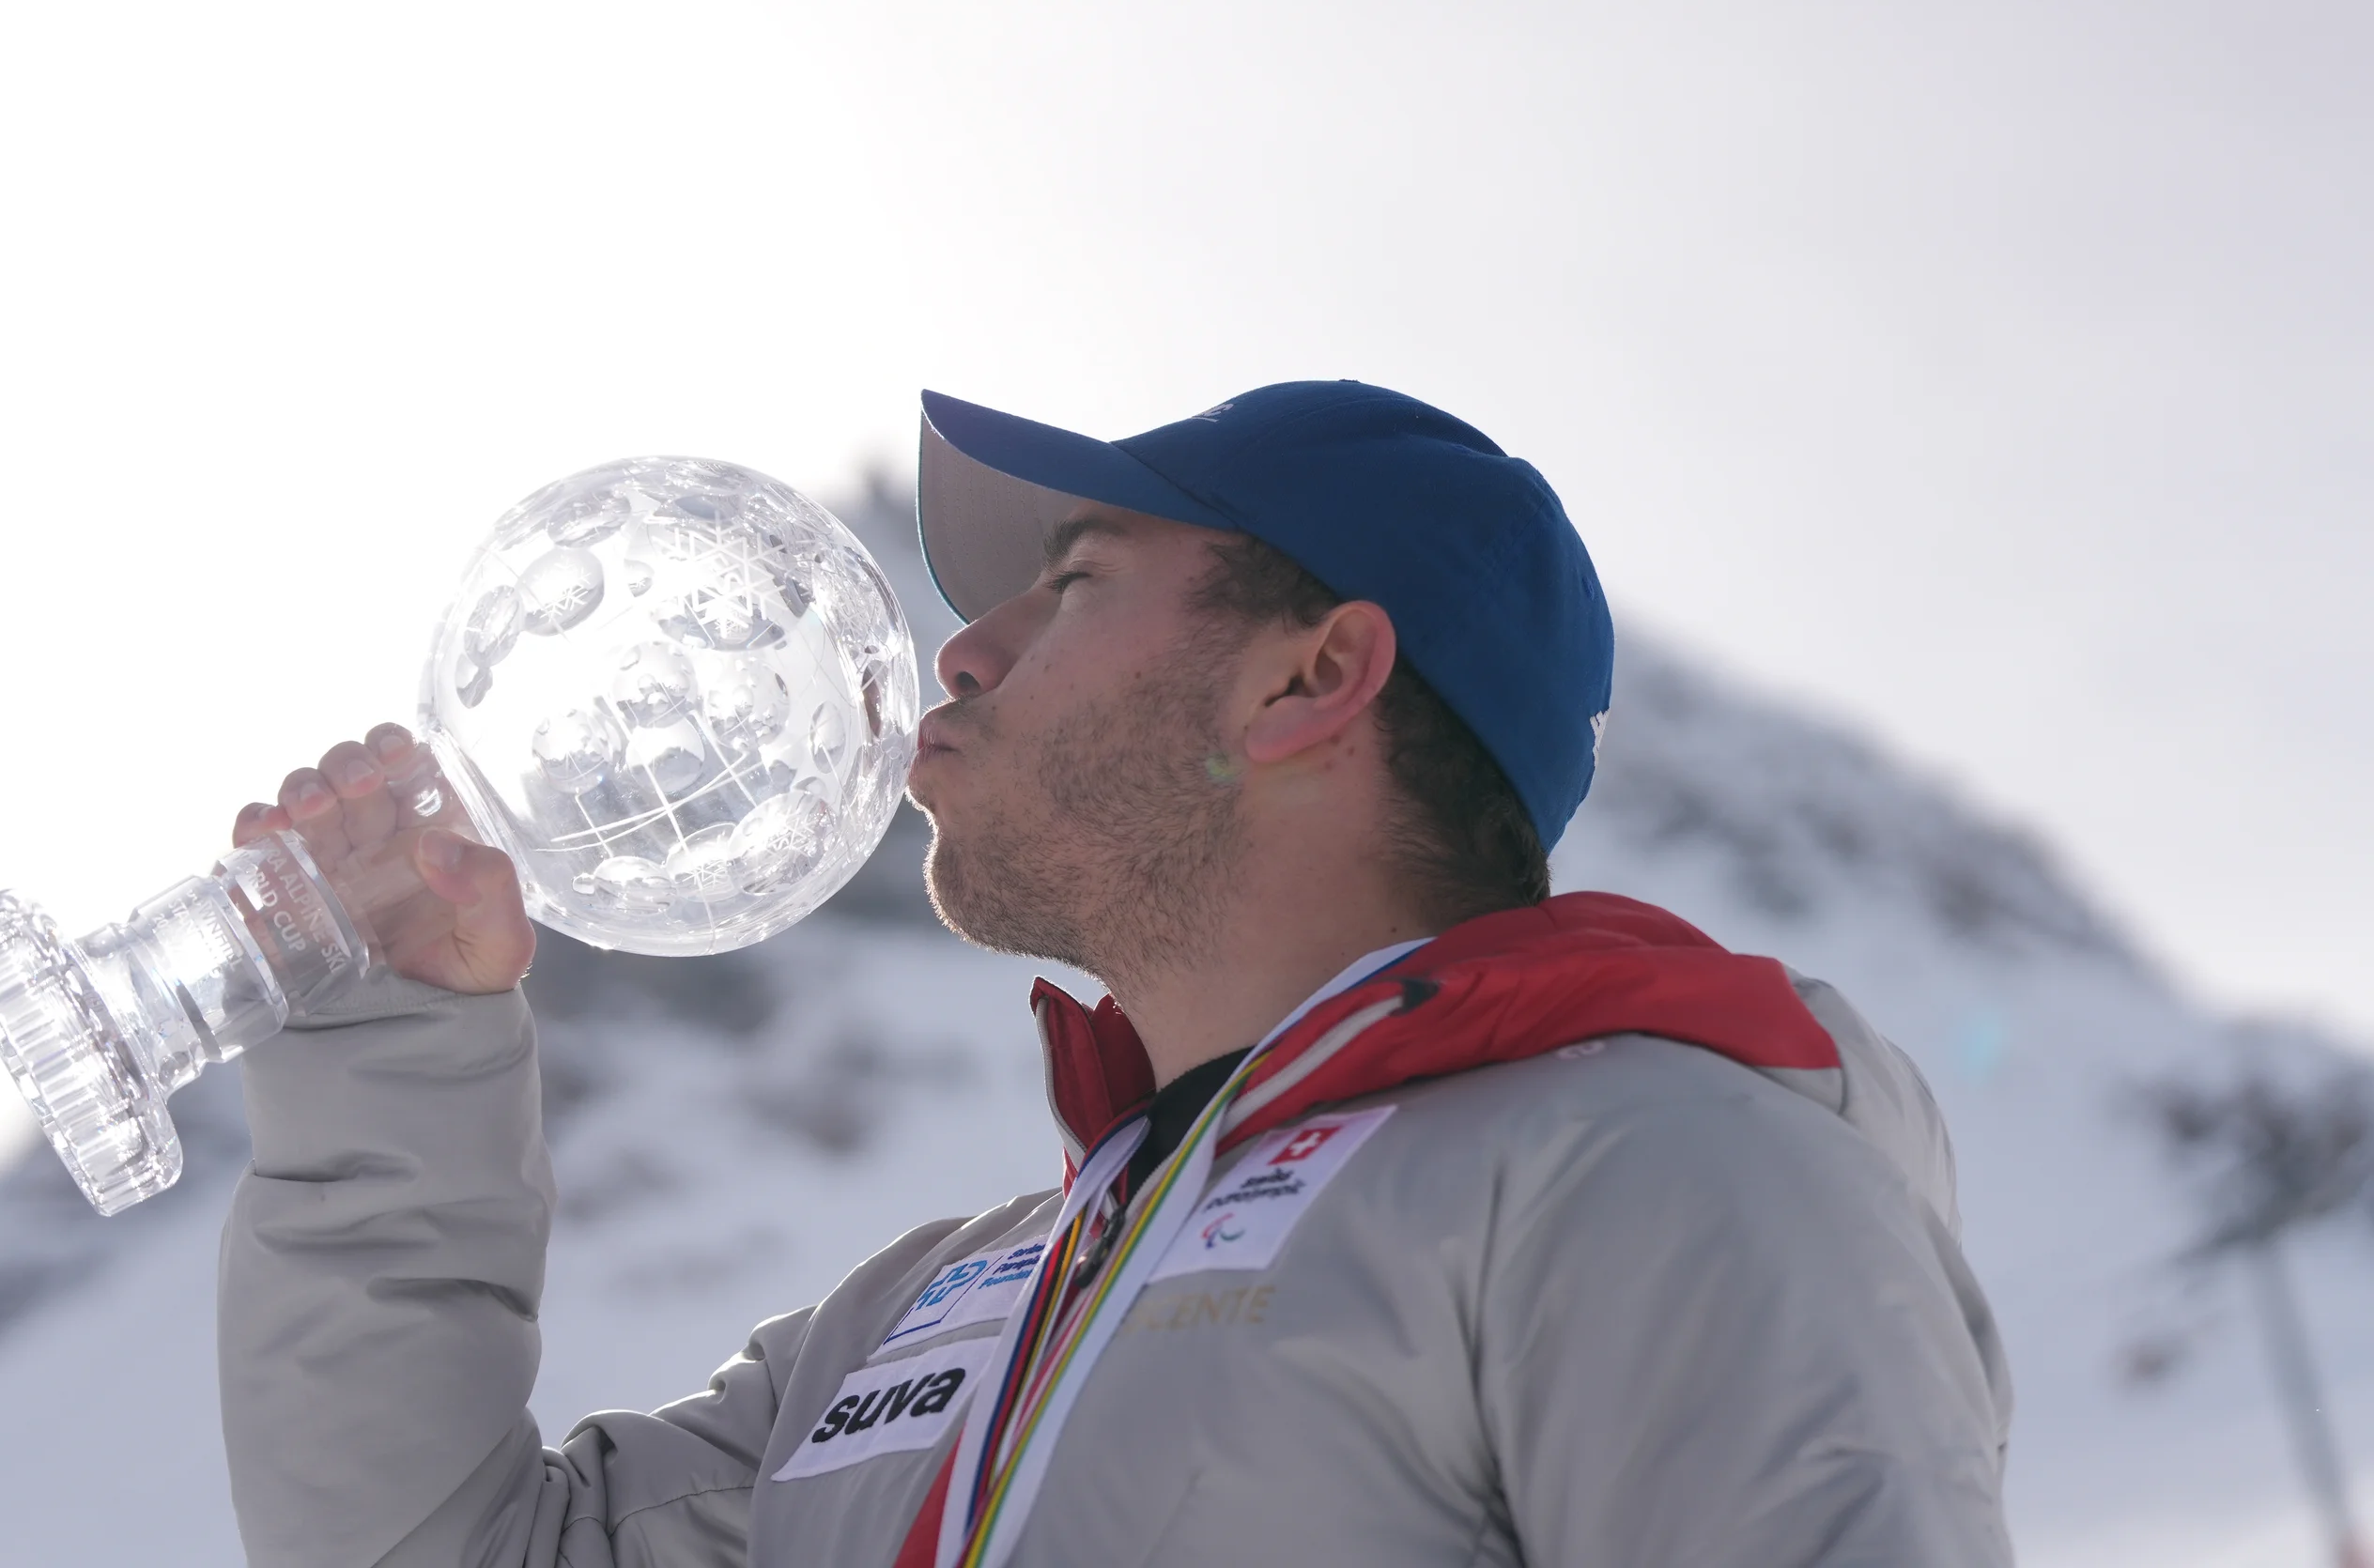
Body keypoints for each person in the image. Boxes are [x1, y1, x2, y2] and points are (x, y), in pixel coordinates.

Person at [218, 382, 2014, 1568]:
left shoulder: (1654, 1178)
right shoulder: (926, 1318)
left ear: (1311, 682)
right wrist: (400, 1035)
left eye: (1073, 582)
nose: (963, 653)